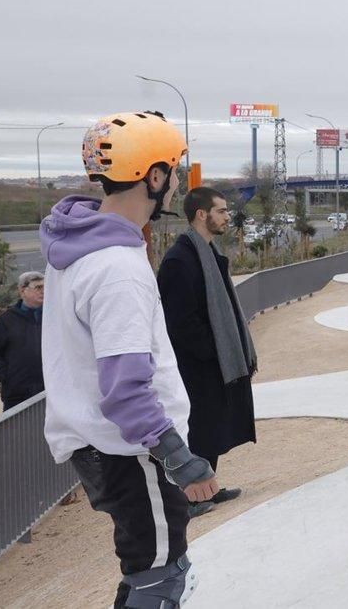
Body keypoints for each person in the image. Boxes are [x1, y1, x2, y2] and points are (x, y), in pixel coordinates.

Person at [40, 111, 216, 608]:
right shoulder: (116, 267)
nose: (178, 182)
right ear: (153, 177)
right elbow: (126, 389)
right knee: (161, 579)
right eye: (174, 171)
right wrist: (181, 460)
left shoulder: (77, 244)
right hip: (133, 450)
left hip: (103, 442)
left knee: (147, 569)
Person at [157, 187, 257, 519]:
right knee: (198, 429)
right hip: (196, 366)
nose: (228, 217)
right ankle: (190, 496)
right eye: (222, 211)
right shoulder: (180, 259)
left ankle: (208, 486)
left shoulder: (208, 251)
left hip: (212, 362)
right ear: (202, 214)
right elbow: (179, 321)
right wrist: (213, 353)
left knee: (211, 428)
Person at [0, 271, 46, 410]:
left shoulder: (52, 317)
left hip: (50, 391)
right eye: (38, 287)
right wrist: (5, 375)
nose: (43, 291)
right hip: (17, 395)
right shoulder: (6, 321)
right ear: (22, 290)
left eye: (45, 287)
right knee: (17, 425)